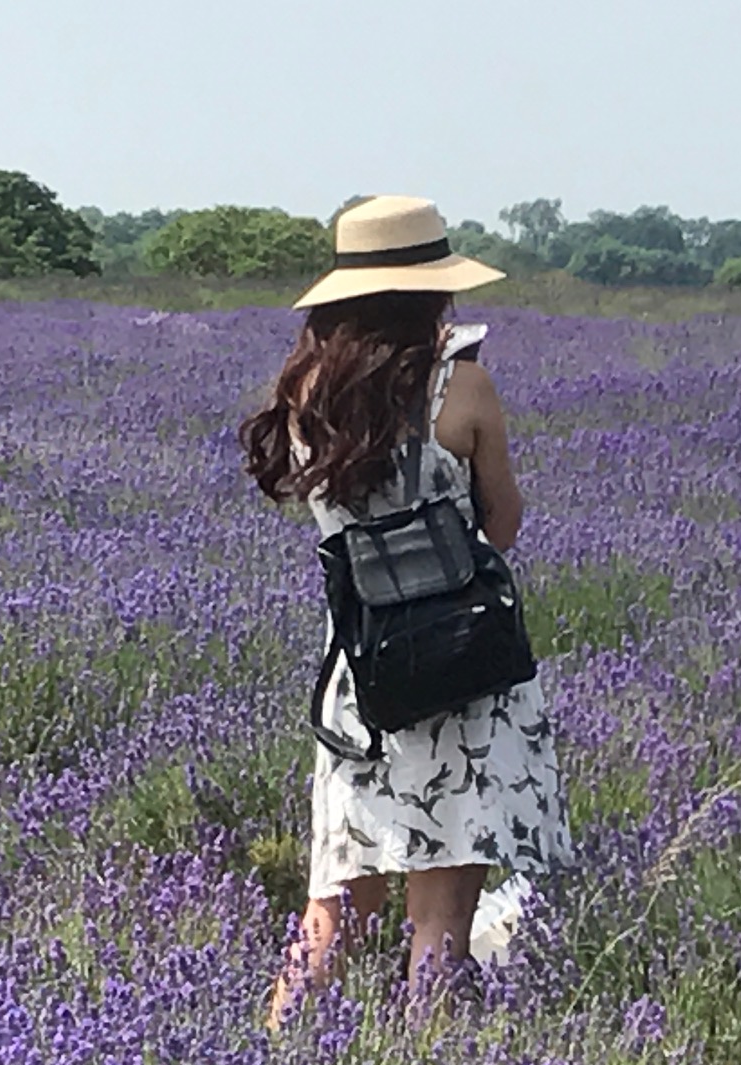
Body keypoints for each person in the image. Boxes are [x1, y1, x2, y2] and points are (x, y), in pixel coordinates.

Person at [241, 196, 572, 1019]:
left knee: (338, 905)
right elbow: (503, 525)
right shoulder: (461, 387)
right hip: (460, 668)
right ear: (434, 294)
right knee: (442, 917)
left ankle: (267, 1063)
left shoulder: (309, 397)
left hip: (362, 675)